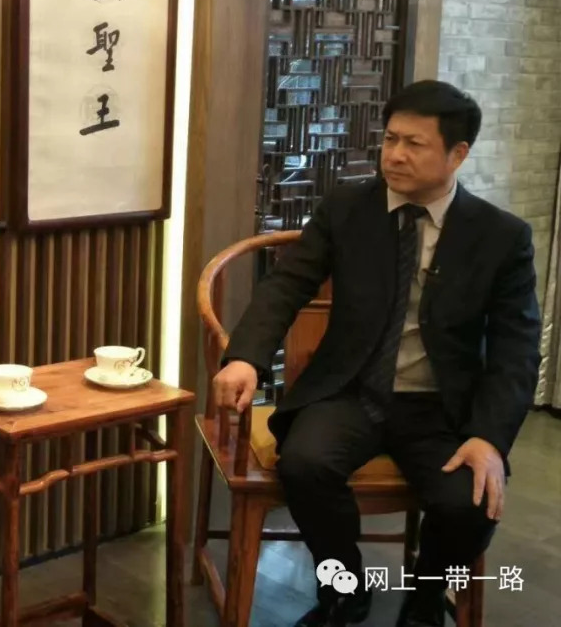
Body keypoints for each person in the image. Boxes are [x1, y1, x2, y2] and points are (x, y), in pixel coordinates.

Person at [212, 81, 542, 627]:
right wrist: (247, 357)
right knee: (305, 464)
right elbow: (287, 286)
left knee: (470, 500)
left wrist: (488, 436)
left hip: (442, 407)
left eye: (415, 143)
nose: (395, 155)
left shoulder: (501, 237)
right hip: (351, 391)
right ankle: (345, 587)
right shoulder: (347, 208)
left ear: (458, 153)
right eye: (390, 139)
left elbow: (517, 346)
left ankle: (425, 598)